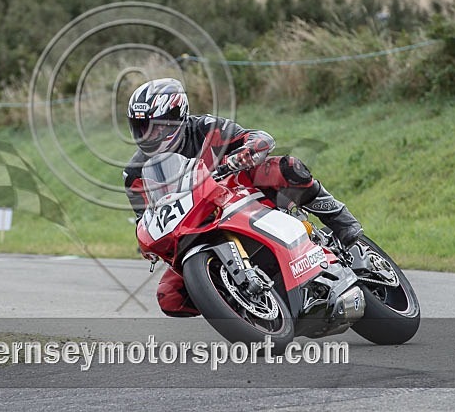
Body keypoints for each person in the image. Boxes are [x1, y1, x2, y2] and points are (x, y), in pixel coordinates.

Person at [122, 77, 363, 317]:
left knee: (287, 167)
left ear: (177, 116)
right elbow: (147, 217)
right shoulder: (134, 173)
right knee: (170, 297)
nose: (149, 135)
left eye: (157, 127)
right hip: (191, 228)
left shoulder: (206, 128)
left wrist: (243, 154)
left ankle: (341, 221)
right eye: (141, 127)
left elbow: (259, 138)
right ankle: (240, 302)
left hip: (238, 196)